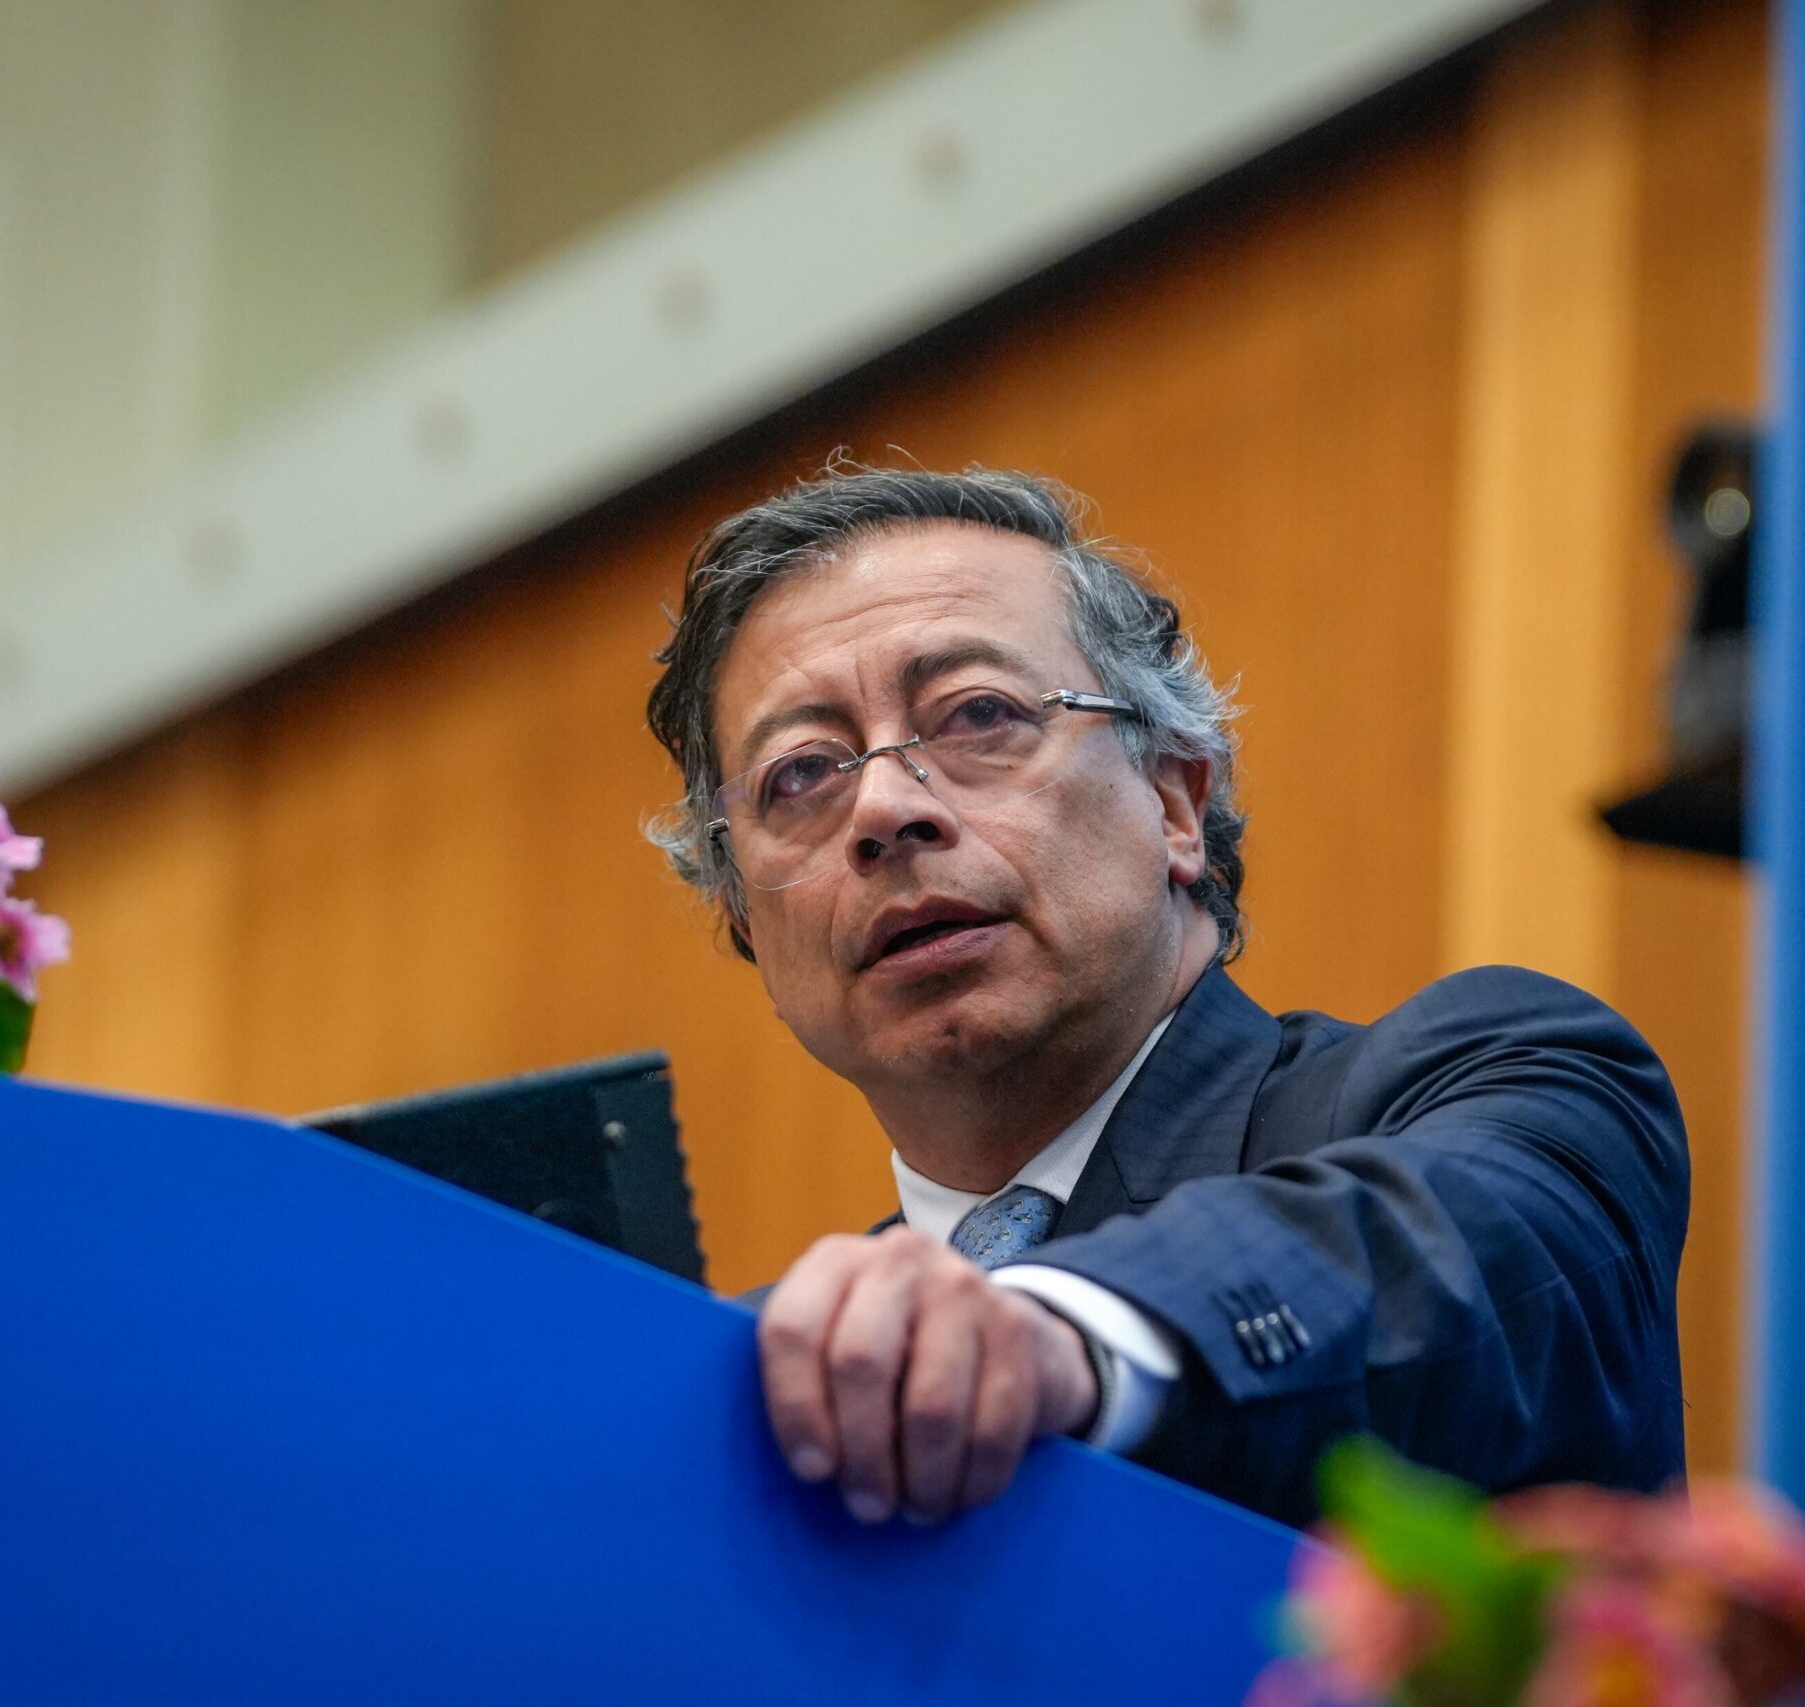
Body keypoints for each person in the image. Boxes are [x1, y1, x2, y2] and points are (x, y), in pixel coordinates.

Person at [643, 466, 1688, 1530]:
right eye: (800, 775)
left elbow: (1468, 1265)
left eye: (977, 714)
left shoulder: (1514, 1076)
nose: (881, 808)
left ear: (1175, 803)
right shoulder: (777, 1389)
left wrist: (1053, 1331)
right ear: (745, 922)